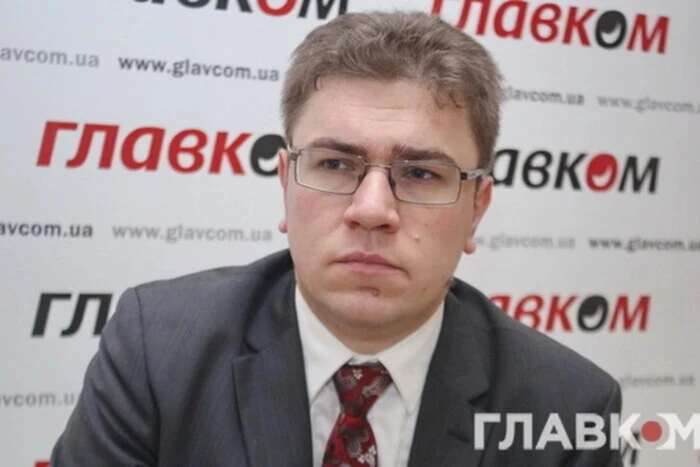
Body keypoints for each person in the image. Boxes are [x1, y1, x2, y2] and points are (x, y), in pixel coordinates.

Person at [51, 10, 622, 466]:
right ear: (286, 182)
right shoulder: (157, 350)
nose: (372, 210)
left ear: (477, 209)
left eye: (421, 173)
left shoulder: (569, 408)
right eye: (334, 164)